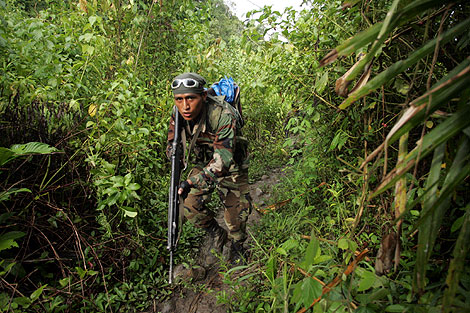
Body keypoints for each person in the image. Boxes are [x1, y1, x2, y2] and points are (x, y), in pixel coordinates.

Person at [166, 72, 252, 266]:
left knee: (236, 211)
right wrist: (174, 154)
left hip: (230, 163)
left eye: (191, 98)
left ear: (203, 96)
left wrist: (190, 182)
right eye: (179, 99)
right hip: (203, 161)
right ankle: (216, 234)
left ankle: (238, 245)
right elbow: (173, 142)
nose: (185, 106)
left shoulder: (222, 114)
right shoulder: (177, 114)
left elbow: (223, 161)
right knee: (188, 204)